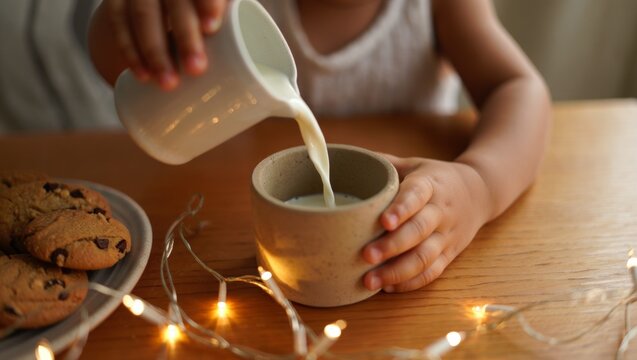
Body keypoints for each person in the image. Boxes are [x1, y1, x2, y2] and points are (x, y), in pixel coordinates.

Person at [88, 0, 551, 293]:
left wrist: (480, 183)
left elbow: (517, 86)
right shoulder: (226, 10)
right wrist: (131, 22)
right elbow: (116, 61)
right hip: (219, 224)